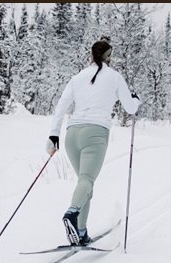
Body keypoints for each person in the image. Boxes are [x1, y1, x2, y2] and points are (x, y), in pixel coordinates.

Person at [47, 39, 140, 246]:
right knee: (87, 180)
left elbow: (61, 106)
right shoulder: (115, 77)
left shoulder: (78, 77)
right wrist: (136, 99)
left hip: (72, 135)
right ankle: (71, 214)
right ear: (108, 56)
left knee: (84, 181)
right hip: (95, 133)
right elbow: (131, 108)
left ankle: (81, 231)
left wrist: (54, 134)